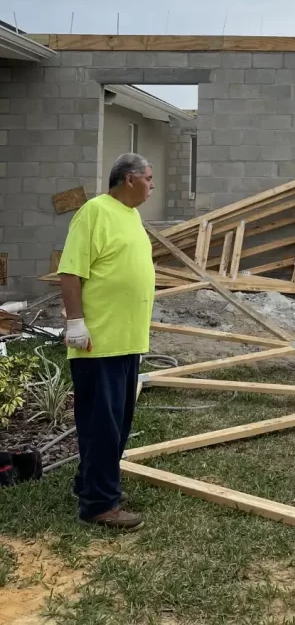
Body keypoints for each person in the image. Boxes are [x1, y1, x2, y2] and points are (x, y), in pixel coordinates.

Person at [58, 153, 156, 531]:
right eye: (149, 179)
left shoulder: (130, 215)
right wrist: (77, 324)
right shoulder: (94, 212)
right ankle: (99, 505)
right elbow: (70, 272)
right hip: (97, 343)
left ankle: (91, 484)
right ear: (130, 179)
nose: (152, 186)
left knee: (116, 422)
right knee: (102, 423)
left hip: (126, 340)